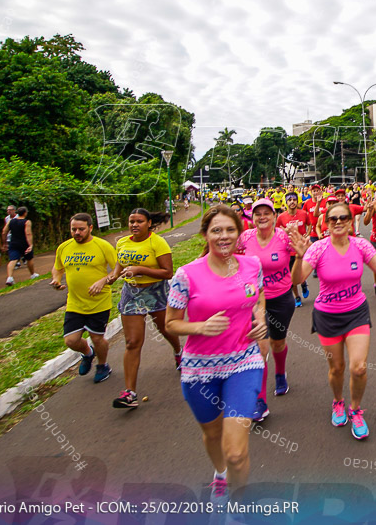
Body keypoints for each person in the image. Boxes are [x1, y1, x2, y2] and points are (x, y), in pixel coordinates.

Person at [165, 205, 267, 503]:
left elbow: (258, 297)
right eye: (217, 230)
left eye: (230, 230)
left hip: (244, 362)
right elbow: (171, 323)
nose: (224, 236)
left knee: (236, 452)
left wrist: (260, 318)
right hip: (199, 370)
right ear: (205, 234)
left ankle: (238, 507)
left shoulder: (252, 266)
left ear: (239, 233)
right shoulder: (187, 275)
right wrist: (200, 327)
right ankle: (220, 473)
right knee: (212, 435)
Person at [288, 202, 376, 440]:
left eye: (344, 217)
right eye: (333, 219)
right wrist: (299, 258)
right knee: (337, 368)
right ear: (327, 224)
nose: (339, 221)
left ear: (350, 221)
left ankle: (355, 409)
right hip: (327, 315)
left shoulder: (360, 245)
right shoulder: (318, 248)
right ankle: (338, 402)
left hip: (356, 313)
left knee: (358, 367)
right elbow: (297, 278)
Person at [107, 208, 183, 410]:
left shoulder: (157, 242)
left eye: (139, 221)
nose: (134, 225)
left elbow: (167, 273)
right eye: (131, 221)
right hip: (131, 294)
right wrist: (110, 278)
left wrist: (140, 269)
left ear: (149, 223)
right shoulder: (122, 242)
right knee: (132, 342)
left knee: (166, 329)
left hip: (155, 292)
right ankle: (129, 393)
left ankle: (178, 351)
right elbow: (119, 266)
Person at [237, 199, 298, 416]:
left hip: (281, 298)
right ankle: (260, 400)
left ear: (274, 216)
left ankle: (280, 373)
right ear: (252, 218)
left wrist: (297, 238)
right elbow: (230, 257)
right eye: (257, 214)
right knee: (259, 349)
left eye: (266, 213)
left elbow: (303, 252)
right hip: (253, 301)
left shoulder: (283, 236)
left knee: (277, 343)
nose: (262, 217)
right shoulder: (245, 238)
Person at [51, 213, 119, 384]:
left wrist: (103, 281)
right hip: (75, 303)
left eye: (81, 229)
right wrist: (56, 279)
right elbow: (58, 268)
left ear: (90, 228)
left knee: (97, 338)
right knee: (71, 340)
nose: (77, 233)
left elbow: (117, 269)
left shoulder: (102, 246)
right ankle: (88, 354)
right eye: (73, 229)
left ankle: (103, 365)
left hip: (99, 303)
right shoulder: (64, 247)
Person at [277, 192, 312, 305]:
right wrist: (284, 232)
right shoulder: (281, 217)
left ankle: (303, 284)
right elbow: (277, 232)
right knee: (291, 277)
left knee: (302, 272)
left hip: (302, 249)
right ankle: (297, 297)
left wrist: (307, 233)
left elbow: (309, 224)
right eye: (289, 200)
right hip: (288, 251)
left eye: (294, 200)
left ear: (297, 202)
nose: (292, 202)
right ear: (286, 202)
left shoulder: (303, 213)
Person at [2, 206, 39, 285]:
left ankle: (10, 277)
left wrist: (4, 243)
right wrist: (30, 245)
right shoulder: (27, 222)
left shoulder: (11, 221)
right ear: (25, 213)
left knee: (13, 260)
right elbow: (28, 233)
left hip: (13, 242)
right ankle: (32, 274)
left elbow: (4, 232)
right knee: (29, 258)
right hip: (24, 243)